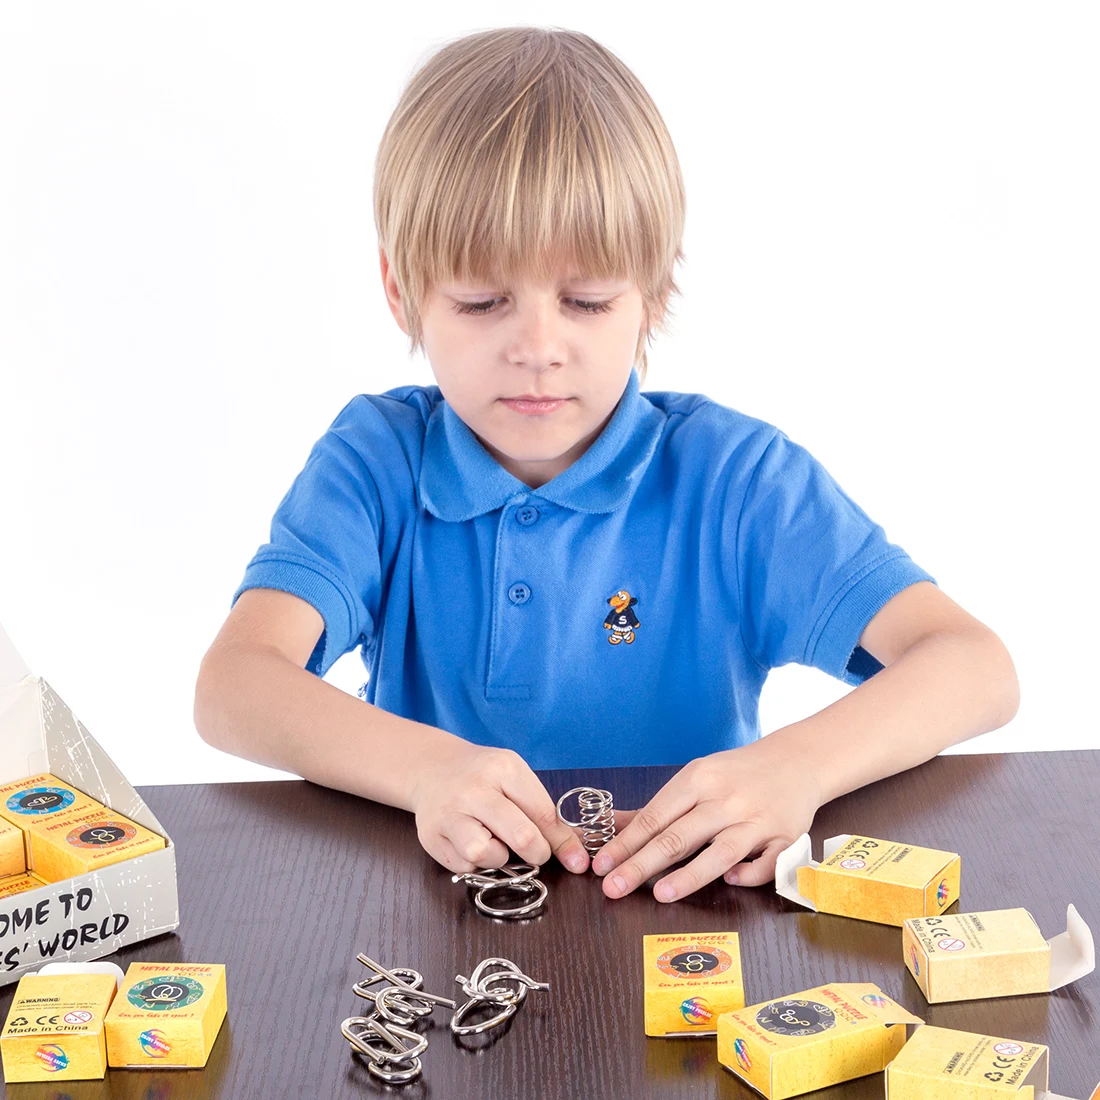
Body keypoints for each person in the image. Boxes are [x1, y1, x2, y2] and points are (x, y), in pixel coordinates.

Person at [193, 26, 1019, 904]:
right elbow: (234, 685)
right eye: (481, 300)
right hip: (444, 922)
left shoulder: (734, 480)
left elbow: (974, 665)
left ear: (655, 292)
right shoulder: (376, 462)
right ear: (402, 291)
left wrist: (794, 769)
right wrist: (426, 769)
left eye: (586, 300)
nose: (539, 348)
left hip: (692, 916)